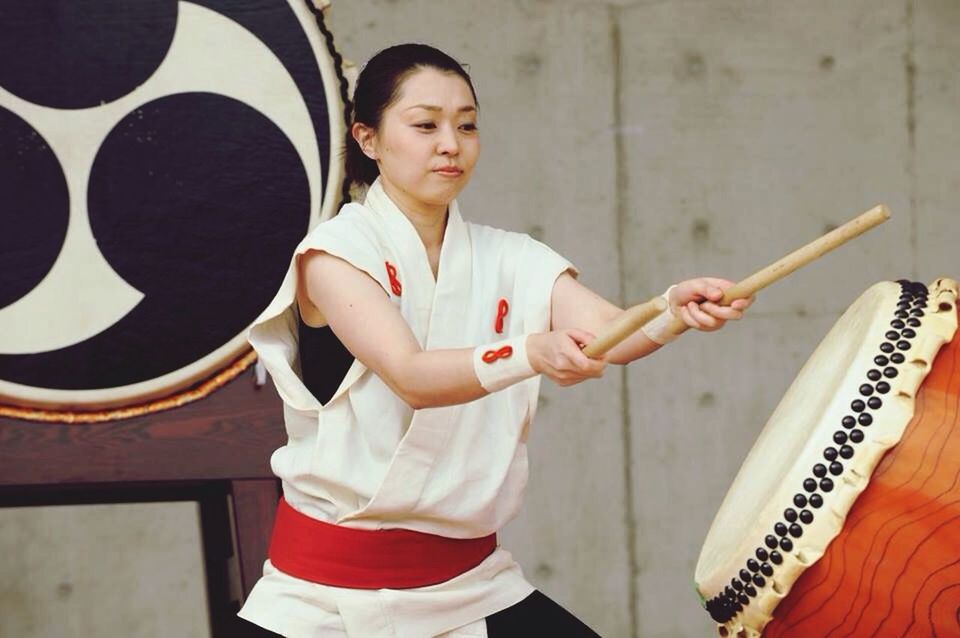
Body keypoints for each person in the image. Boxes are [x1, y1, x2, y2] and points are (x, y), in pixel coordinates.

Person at [238, 43, 751, 638]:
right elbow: (410, 374)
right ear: (368, 138)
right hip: (322, 595)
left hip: (466, 588)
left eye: (467, 125)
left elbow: (609, 334)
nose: (450, 144)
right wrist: (530, 351)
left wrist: (671, 311)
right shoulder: (334, 255)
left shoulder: (511, 256)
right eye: (425, 125)